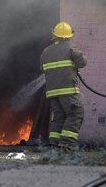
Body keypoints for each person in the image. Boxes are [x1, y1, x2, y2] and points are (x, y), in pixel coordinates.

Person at [40, 21, 87, 151]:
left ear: (54, 35)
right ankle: (67, 144)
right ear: (68, 36)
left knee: (59, 117)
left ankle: (54, 145)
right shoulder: (70, 47)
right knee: (76, 113)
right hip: (68, 90)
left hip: (52, 92)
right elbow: (83, 62)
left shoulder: (46, 51)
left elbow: (43, 69)